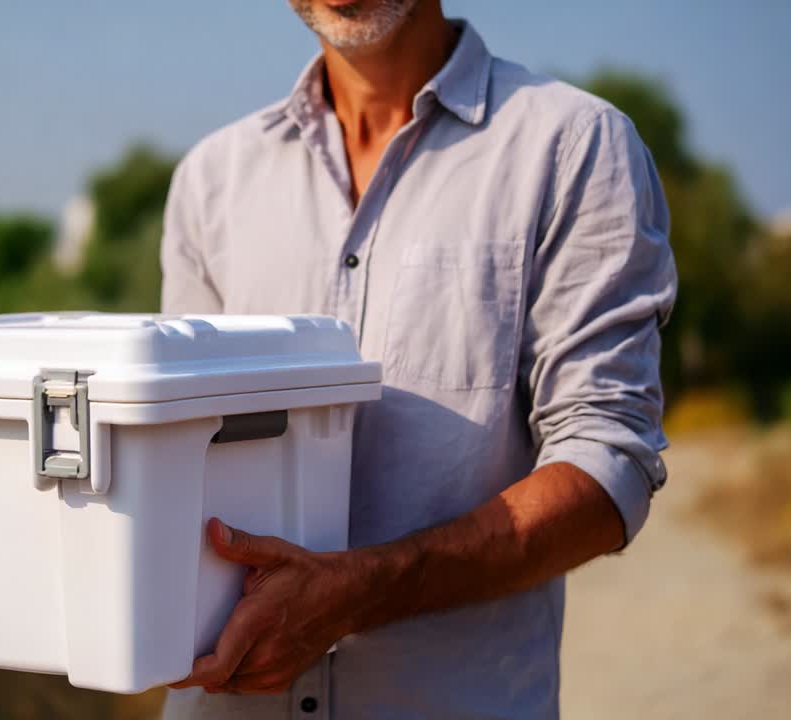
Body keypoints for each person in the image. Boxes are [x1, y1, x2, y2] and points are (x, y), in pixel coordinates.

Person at [158, 1, 678, 717]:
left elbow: (606, 463)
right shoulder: (210, 182)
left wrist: (358, 593)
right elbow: (171, 458)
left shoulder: (574, 147)